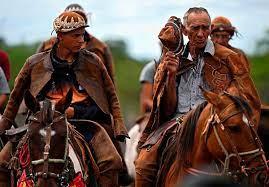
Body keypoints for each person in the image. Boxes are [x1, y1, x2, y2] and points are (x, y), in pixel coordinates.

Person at [135, 7, 260, 186]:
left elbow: (248, 98)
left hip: (215, 122)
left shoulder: (230, 58)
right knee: (143, 164)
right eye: (195, 28)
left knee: (250, 164)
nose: (201, 34)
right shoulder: (171, 58)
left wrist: (227, 100)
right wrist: (170, 76)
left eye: (205, 28)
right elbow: (168, 108)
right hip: (177, 122)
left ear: (210, 28)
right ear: (185, 30)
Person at [0, 11, 128, 186]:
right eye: (75, 36)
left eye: (82, 35)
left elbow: (111, 96)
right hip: (41, 124)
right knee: (2, 162)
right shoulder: (34, 63)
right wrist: (4, 125)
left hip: (85, 124)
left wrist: (118, 124)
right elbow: (14, 98)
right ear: (60, 36)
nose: (81, 40)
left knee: (112, 161)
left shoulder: (94, 62)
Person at [36, 3, 115, 82]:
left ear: (85, 21)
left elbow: (110, 79)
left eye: (79, 18)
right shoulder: (47, 45)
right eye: (69, 20)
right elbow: (36, 74)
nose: (75, 22)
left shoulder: (100, 47)